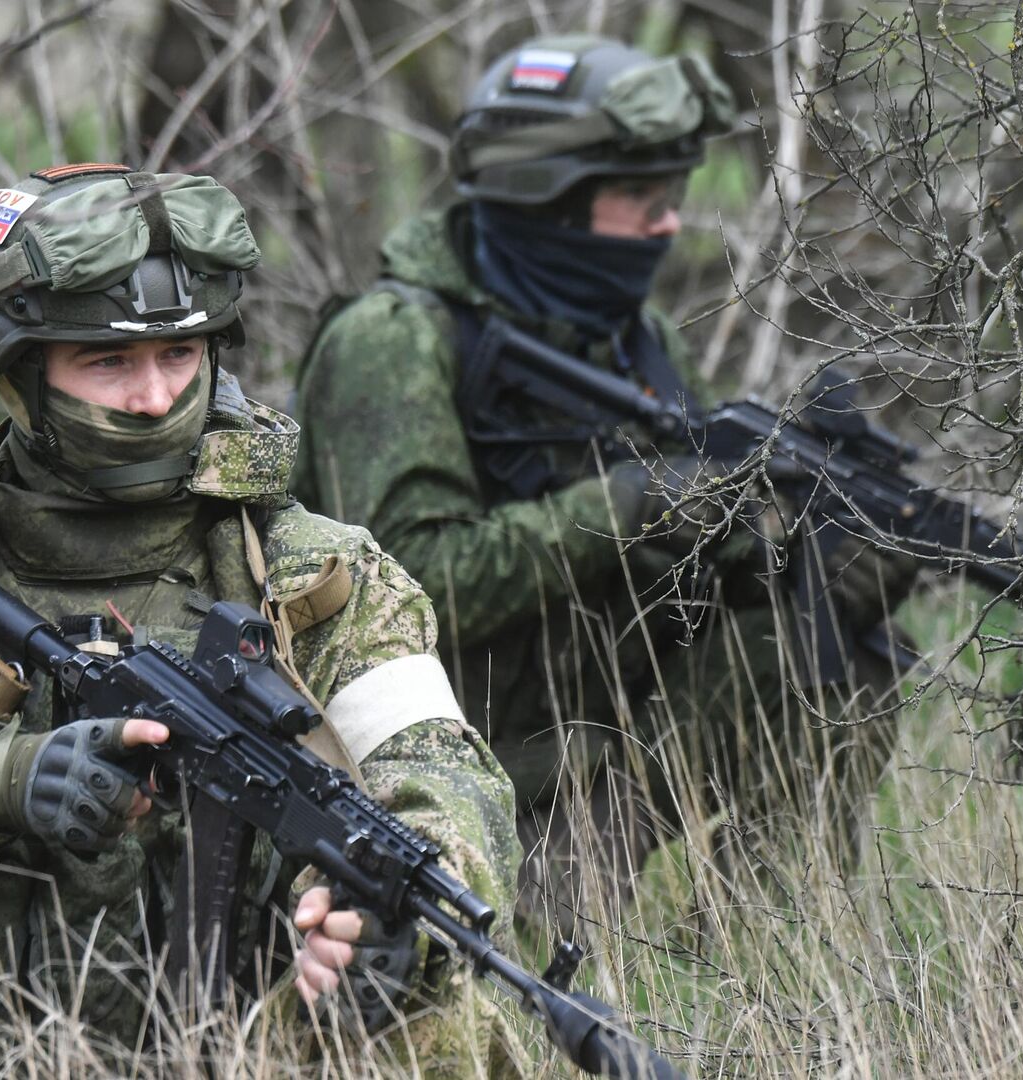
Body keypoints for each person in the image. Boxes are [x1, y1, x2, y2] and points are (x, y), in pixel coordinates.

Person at [0, 166, 520, 1075]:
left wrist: (379, 915)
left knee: (437, 1014)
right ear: (17, 372)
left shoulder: (319, 576)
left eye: (180, 356)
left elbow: (448, 777)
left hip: (247, 1052)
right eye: (108, 361)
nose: (154, 397)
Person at [292, 36, 914, 920]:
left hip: (599, 705)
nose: (669, 224)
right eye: (640, 198)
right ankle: (542, 886)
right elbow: (406, 585)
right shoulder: (394, 341)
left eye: (673, 195)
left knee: (829, 640)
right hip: (458, 755)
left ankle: (778, 943)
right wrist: (627, 506)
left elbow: (709, 540)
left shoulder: (629, 334)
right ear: (543, 200)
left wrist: (810, 545)